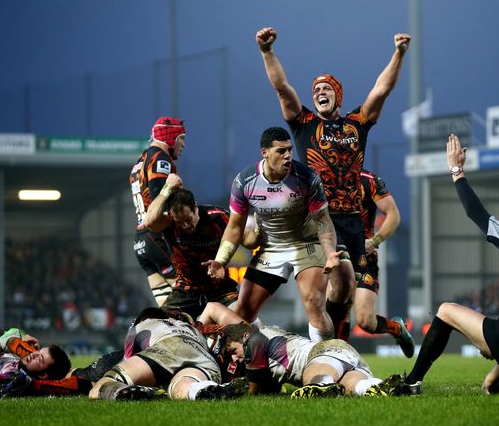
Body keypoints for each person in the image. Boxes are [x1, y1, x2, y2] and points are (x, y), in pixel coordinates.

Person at [256, 26, 411, 338]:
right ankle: (326, 346)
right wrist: (267, 52)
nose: (318, 93)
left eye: (325, 89)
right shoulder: (304, 125)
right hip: (319, 218)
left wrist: (399, 54)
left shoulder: (357, 124)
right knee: (334, 283)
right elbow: (282, 88)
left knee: (346, 294)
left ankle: (337, 350)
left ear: (337, 95)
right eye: (315, 91)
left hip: (353, 220)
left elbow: (381, 90)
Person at [397, 134, 499, 395]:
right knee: (491, 387)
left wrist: (456, 170)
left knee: (445, 310)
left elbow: (474, 211)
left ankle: (412, 382)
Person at [207, 127, 341, 342]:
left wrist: (330, 253)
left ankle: (327, 359)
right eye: (281, 151)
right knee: (243, 311)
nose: (288, 155)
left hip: (306, 244)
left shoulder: (307, 177)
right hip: (271, 248)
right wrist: (221, 261)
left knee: (313, 302)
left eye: (289, 150)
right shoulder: (244, 182)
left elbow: (323, 221)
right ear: (265, 152)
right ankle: (253, 357)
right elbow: (234, 228)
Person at [144, 173, 257, 319]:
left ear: (195, 207)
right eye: (180, 222)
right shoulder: (170, 223)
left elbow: (249, 241)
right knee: (158, 323)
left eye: (188, 219)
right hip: (185, 292)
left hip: (220, 290)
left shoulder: (218, 217)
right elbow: (149, 221)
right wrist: (167, 188)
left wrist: (261, 227)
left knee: (248, 323)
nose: (185, 225)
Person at [89, 307, 248, 401]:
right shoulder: (191, 328)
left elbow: (128, 358)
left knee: (102, 385)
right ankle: (201, 389)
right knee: (182, 386)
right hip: (204, 358)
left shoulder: (143, 325)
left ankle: (121, 391)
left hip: (168, 347)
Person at [218, 322, 402, 398]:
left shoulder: (255, 339)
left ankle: (322, 385)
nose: (235, 359)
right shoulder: (267, 333)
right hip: (342, 356)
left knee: (314, 379)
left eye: (233, 351)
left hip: (323, 354)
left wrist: (238, 389)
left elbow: (256, 389)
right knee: (352, 386)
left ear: (243, 336)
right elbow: (270, 386)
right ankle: (376, 385)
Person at [353, 169, 414, 357]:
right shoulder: (321, 179)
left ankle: (397, 329)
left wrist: (374, 241)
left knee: (365, 321)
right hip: (334, 255)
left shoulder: (368, 180)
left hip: (364, 257)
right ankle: (337, 363)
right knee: (334, 311)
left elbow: (393, 214)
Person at [129, 117, 187, 306]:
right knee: (190, 296)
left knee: (168, 308)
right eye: (181, 138)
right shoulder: (159, 158)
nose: (183, 144)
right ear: (170, 137)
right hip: (159, 237)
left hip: (141, 241)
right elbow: (158, 201)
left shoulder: (140, 160)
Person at [0, 328, 71, 398]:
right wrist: (23, 336)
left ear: (43, 375)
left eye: (40, 359)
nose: (34, 354)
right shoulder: (20, 361)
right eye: (38, 351)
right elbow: (5, 337)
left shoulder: (16, 377)